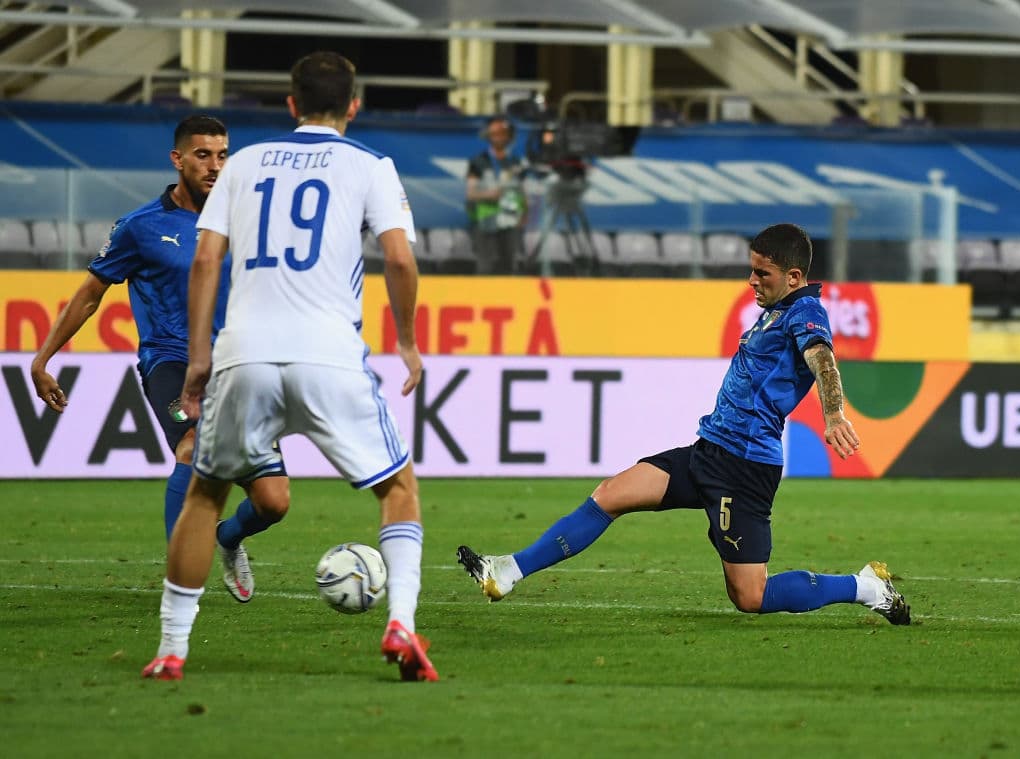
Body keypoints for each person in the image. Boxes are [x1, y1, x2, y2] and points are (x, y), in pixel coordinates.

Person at [142, 51, 437, 683]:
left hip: (244, 353)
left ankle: (171, 649)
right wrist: (408, 343)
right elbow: (401, 262)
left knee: (204, 494)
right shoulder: (370, 167)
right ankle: (403, 625)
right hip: (329, 353)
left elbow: (203, 265)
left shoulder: (242, 165)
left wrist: (199, 360)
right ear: (353, 106)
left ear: (290, 103)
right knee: (397, 488)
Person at [458, 223, 911, 627]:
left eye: (763, 274)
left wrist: (833, 414)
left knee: (750, 596)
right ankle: (507, 571)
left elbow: (823, 361)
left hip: (745, 468)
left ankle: (865, 587)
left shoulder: (805, 312)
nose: (752, 280)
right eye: (751, 270)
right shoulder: (775, 310)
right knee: (609, 495)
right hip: (708, 450)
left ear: (794, 277)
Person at [30, 115, 281, 604]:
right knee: (191, 443)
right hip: (169, 363)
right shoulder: (141, 227)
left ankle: (228, 538)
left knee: (272, 502)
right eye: (203, 154)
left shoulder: (244, 219)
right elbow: (88, 295)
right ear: (178, 158)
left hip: (234, 364)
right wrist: (42, 360)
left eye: (223, 154)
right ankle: (180, 580)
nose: (215, 165)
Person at [465, 115, 527, 274]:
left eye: (502, 133)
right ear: (489, 135)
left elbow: (522, 191)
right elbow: (471, 193)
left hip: (510, 220)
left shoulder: (515, 162)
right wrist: (489, 194)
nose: (499, 137)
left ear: (509, 136)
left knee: (509, 266)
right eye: (495, 133)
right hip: (486, 219)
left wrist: (524, 214)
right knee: (486, 267)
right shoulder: (479, 161)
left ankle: (509, 298)